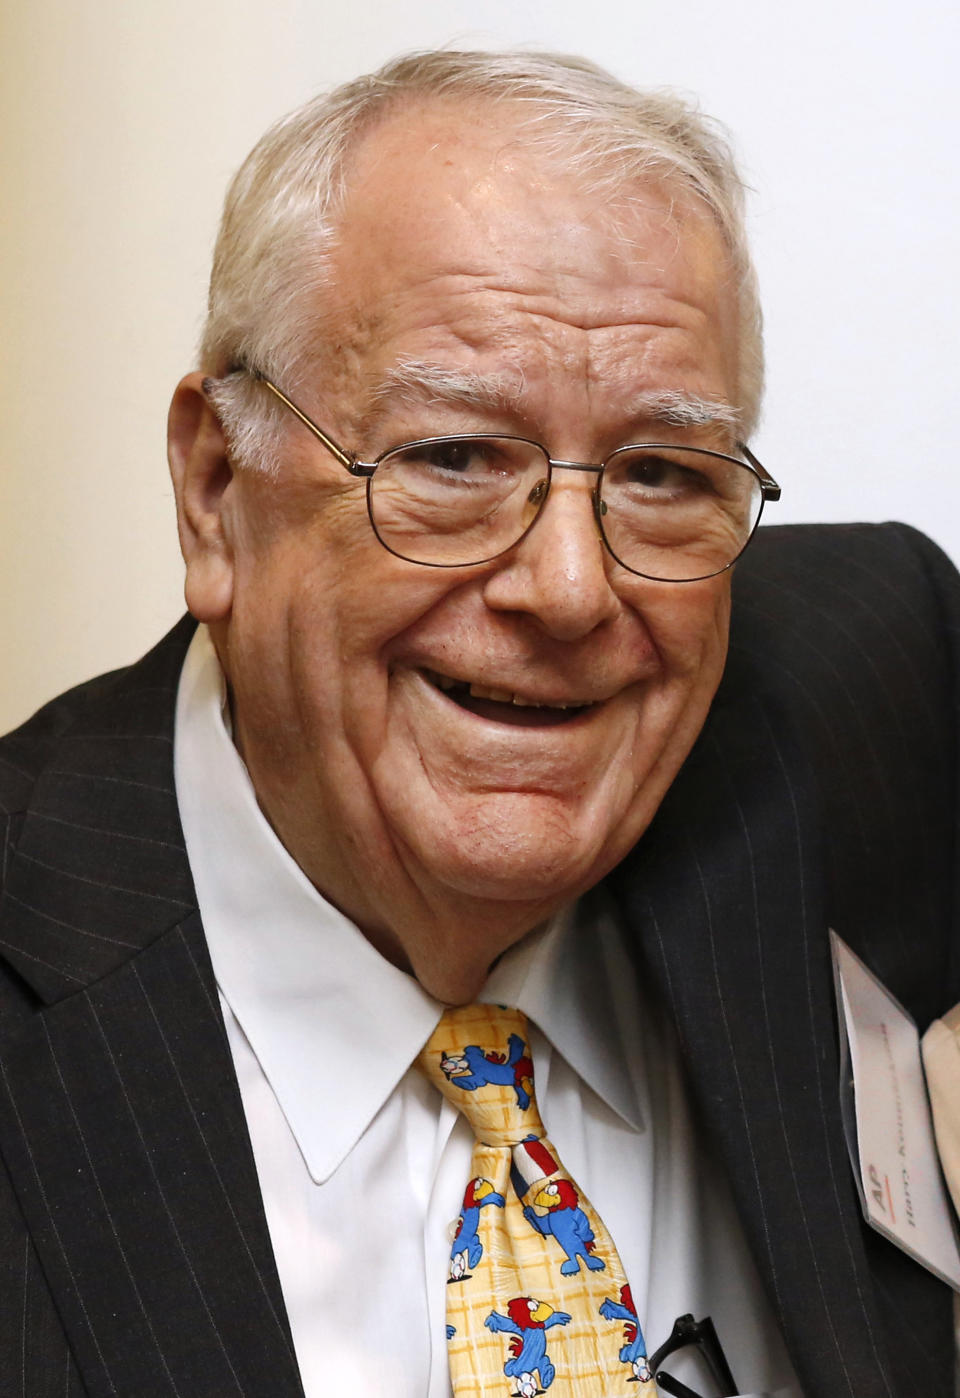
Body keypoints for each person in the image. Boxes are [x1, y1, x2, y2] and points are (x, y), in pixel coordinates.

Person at [0, 49, 957, 1398]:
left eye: (666, 472)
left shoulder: (872, 689)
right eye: (453, 457)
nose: (573, 587)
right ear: (218, 490)